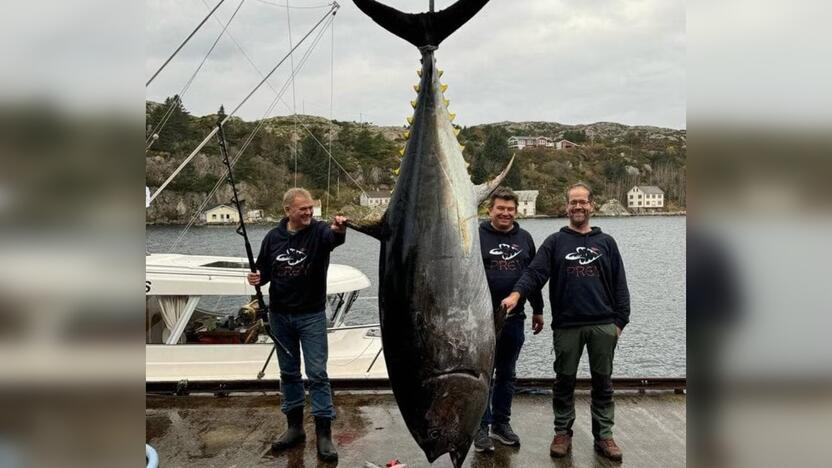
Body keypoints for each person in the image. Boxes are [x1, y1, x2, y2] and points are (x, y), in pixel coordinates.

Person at [501, 182, 630, 461]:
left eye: (583, 201)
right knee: (563, 383)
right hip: (567, 326)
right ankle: (562, 431)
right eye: (573, 202)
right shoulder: (555, 243)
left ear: (591, 205)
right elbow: (534, 274)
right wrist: (516, 294)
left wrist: (619, 322)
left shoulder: (606, 243)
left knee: (603, 383)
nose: (578, 206)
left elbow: (620, 285)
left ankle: (604, 435)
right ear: (567, 206)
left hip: (603, 325)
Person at [246, 187, 348, 463]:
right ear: (287, 210)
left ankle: (324, 434)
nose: (308, 212)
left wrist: (339, 228)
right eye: (302, 209)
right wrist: (255, 279)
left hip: (311, 315)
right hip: (280, 316)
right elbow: (264, 273)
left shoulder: (319, 232)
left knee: (317, 373)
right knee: (288, 373)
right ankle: (294, 428)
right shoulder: (272, 238)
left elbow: (334, 238)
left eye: (310, 207)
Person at [474, 187, 545, 453]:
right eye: (500, 208)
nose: (505, 213)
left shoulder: (525, 238)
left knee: (507, 373)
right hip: (479, 320)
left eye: (510, 209)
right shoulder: (475, 235)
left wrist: (538, 309)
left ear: (516, 211)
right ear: (489, 210)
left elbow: (534, 276)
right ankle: (480, 426)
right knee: (482, 375)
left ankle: (501, 424)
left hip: (514, 319)